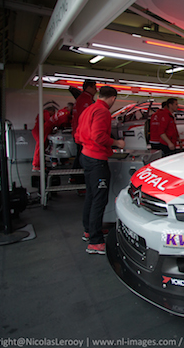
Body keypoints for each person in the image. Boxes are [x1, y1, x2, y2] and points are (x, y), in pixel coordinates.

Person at [74, 86, 125, 255]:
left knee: (91, 195)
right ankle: (95, 242)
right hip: (96, 160)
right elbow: (98, 136)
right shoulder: (103, 112)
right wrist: (117, 143)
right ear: (113, 98)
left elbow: (78, 135)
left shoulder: (88, 109)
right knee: (99, 199)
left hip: (86, 156)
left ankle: (89, 229)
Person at [72, 80, 97, 170]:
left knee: (80, 154)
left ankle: (75, 176)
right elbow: (87, 119)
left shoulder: (81, 98)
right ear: (89, 88)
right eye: (94, 88)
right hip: (84, 134)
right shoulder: (85, 100)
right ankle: (76, 176)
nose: (96, 90)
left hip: (78, 132)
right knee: (83, 156)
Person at [31, 105, 57, 171]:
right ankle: (36, 165)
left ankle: (40, 164)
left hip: (40, 131)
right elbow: (50, 121)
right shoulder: (45, 113)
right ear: (51, 111)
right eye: (53, 113)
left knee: (42, 148)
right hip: (39, 132)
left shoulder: (42, 113)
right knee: (39, 148)